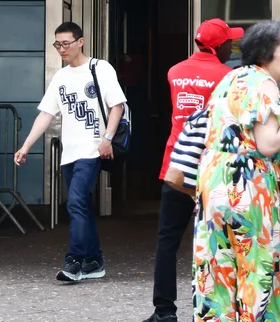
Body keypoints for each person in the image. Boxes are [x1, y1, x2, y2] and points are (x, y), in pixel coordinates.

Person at [189, 19, 280, 321]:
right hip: (248, 186)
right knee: (258, 265)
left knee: (218, 266)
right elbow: (267, 145)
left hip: (213, 181)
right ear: (266, 53)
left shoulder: (230, 79)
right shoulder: (264, 84)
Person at [141, 19, 243, 322]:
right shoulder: (228, 77)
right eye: (230, 43)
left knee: (167, 241)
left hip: (176, 166)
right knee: (224, 242)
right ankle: (225, 307)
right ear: (220, 46)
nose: (232, 47)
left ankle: (164, 312)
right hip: (213, 169)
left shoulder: (175, 72)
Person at [15, 21, 128, 283]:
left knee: (76, 201)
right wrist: (26, 145)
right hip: (69, 153)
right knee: (81, 207)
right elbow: (46, 114)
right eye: (58, 44)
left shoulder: (99, 69)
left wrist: (107, 138)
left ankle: (75, 260)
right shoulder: (61, 77)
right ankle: (94, 261)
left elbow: (117, 106)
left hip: (92, 150)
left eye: (66, 43)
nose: (62, 49)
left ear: (81, 41)